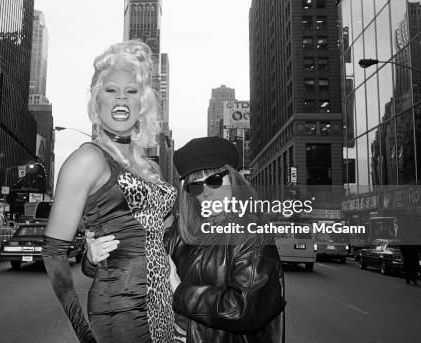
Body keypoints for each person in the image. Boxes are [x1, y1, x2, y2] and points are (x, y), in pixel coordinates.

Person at [86, 137, 285, 343]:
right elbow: (138, 260)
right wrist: (97, 257)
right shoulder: (180, 233)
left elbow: (244, 310)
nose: (206, 193)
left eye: (214, 180)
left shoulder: (253, 234)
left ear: (234, 179)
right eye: (195, 187)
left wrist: (179, 289)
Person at [42, 40, 177, 343]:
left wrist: (170, 268)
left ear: (143, 103)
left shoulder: (148, 166)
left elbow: (148, 235)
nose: (121, 98)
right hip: (120, 311)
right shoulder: (87, 159)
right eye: (111, 90)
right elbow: (53, 254)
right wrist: (85, 334)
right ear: (96, 99)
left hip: (162, 305)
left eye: (132, 91)